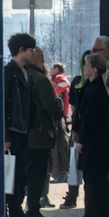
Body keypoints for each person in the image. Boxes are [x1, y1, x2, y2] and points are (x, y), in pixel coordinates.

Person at [3, 33, 48, 217]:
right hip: (12, 133)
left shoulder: (26, 72)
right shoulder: (8, 73)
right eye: (30, 49)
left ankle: (17, 216)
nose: (33, 53)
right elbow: (3, 105)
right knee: (11, 177)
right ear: (21, 50)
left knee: (20, 176)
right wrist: (4, 136)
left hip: (23, 131)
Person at [71, 53, 109, 217]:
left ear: (94, 70)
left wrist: (82, 140)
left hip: (95, 143)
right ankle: (100, 216)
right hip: (96, 141)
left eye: (86, 65)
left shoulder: (97, 90)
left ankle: (92, 215)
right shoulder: (89, 85)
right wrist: (75, 129)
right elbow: (80, 112)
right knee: (97, 179)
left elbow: (91, 118)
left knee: (93, 180)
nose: (84, 67)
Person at [22, 46, 64, 217]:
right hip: (39, 136)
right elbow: (50, 106)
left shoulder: (20, 77)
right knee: (37, 175)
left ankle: (21, 210)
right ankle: (33, 210)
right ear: (35, 59)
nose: (45, 62)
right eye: (42, 58)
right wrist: (58, 108)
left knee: (24, 174)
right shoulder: (40, 79)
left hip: (23, 135)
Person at [49, 63, 75, 208]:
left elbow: (65, 83)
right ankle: (62, 174)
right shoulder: (54, 77)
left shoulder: (58, 78)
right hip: (63, 117)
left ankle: (62, 174)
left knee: (61, 148)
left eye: (51, 68)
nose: (49, 70)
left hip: (62, 117)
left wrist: (54, 88)